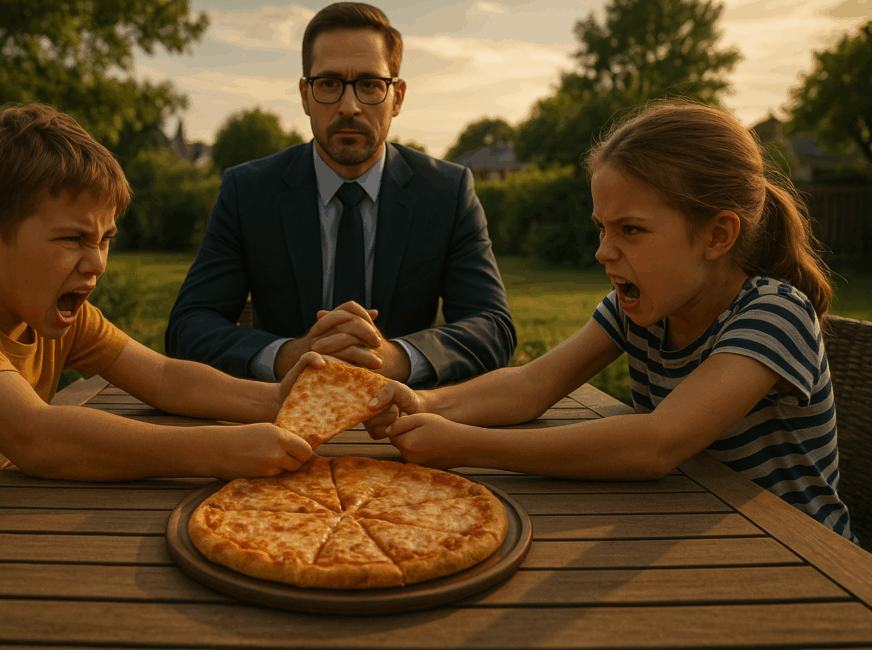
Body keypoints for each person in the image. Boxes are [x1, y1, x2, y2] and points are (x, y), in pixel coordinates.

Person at [365, 100, 859, 545]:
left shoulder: (775, 314)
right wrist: (425, 403)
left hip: (803, 556)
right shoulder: (641, 310)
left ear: (718, 235)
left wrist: (465, 445)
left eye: (631, 230)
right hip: (693, 531)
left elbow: (655, 444)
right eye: (602, 228)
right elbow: (532, 385)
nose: (603, 251)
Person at [0, 103, 334, 532]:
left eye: (105, 240)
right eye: (73, 239)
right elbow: (37, 438)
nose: (98, 263)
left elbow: (163, 378)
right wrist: (220, 450)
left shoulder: (51, 313)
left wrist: (276, 399)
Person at [165, 2, 515, 387]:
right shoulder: (247, 191)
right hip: (278, 415)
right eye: (329, 84)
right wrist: (287, 357)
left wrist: (397, 359)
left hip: (405, 413)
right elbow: (189, 326)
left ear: (397, 97)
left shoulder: (447, 192)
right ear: (305, 95)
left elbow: (492, 327)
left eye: (370, 84)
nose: (349, 107)